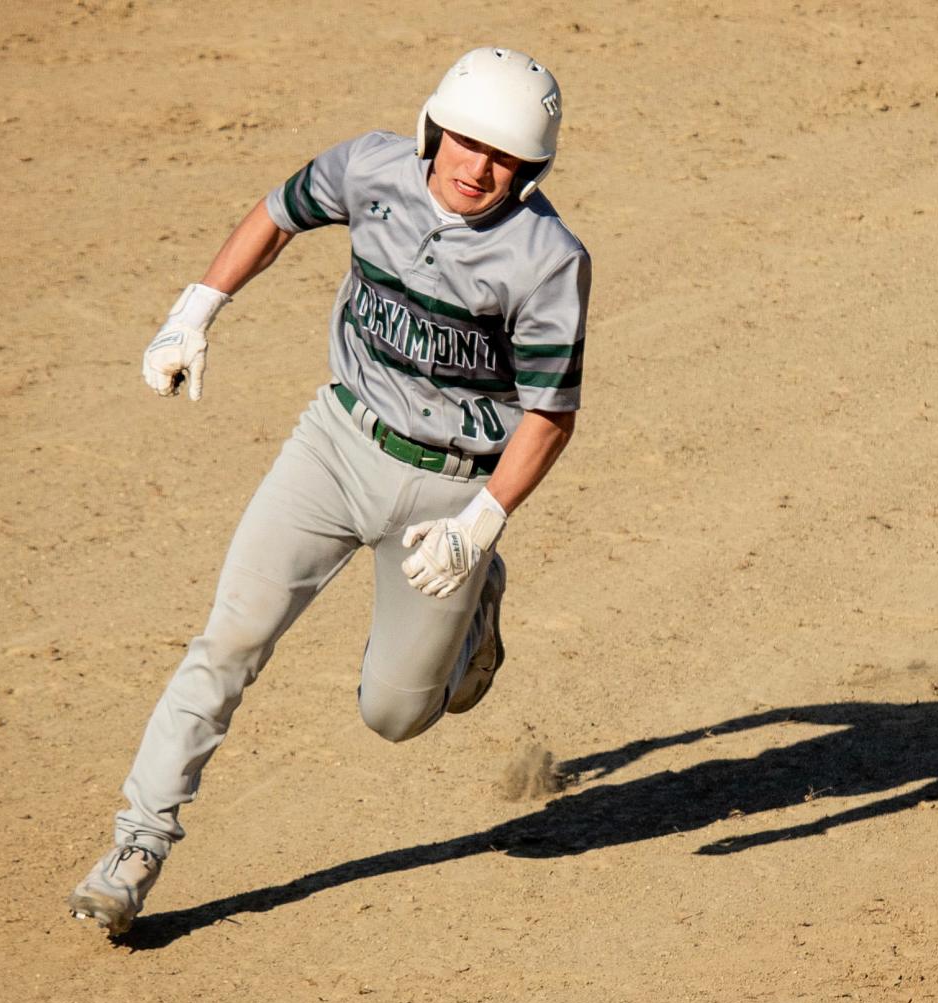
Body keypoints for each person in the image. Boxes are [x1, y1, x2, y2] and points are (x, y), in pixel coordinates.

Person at [68, 46, 590, 936]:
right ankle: (136, 845)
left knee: (394, 717)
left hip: (449, 495)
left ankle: (474, 615)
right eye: (466, 143)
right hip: (336, 444)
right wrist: (194, 311)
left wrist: (482, 523)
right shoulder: (369, 168)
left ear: (532, 171)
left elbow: (548, 416)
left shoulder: (547, 262)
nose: (477, 169)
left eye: (505, 158)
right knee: (227, 641)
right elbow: (276, 217)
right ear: (434, 129)